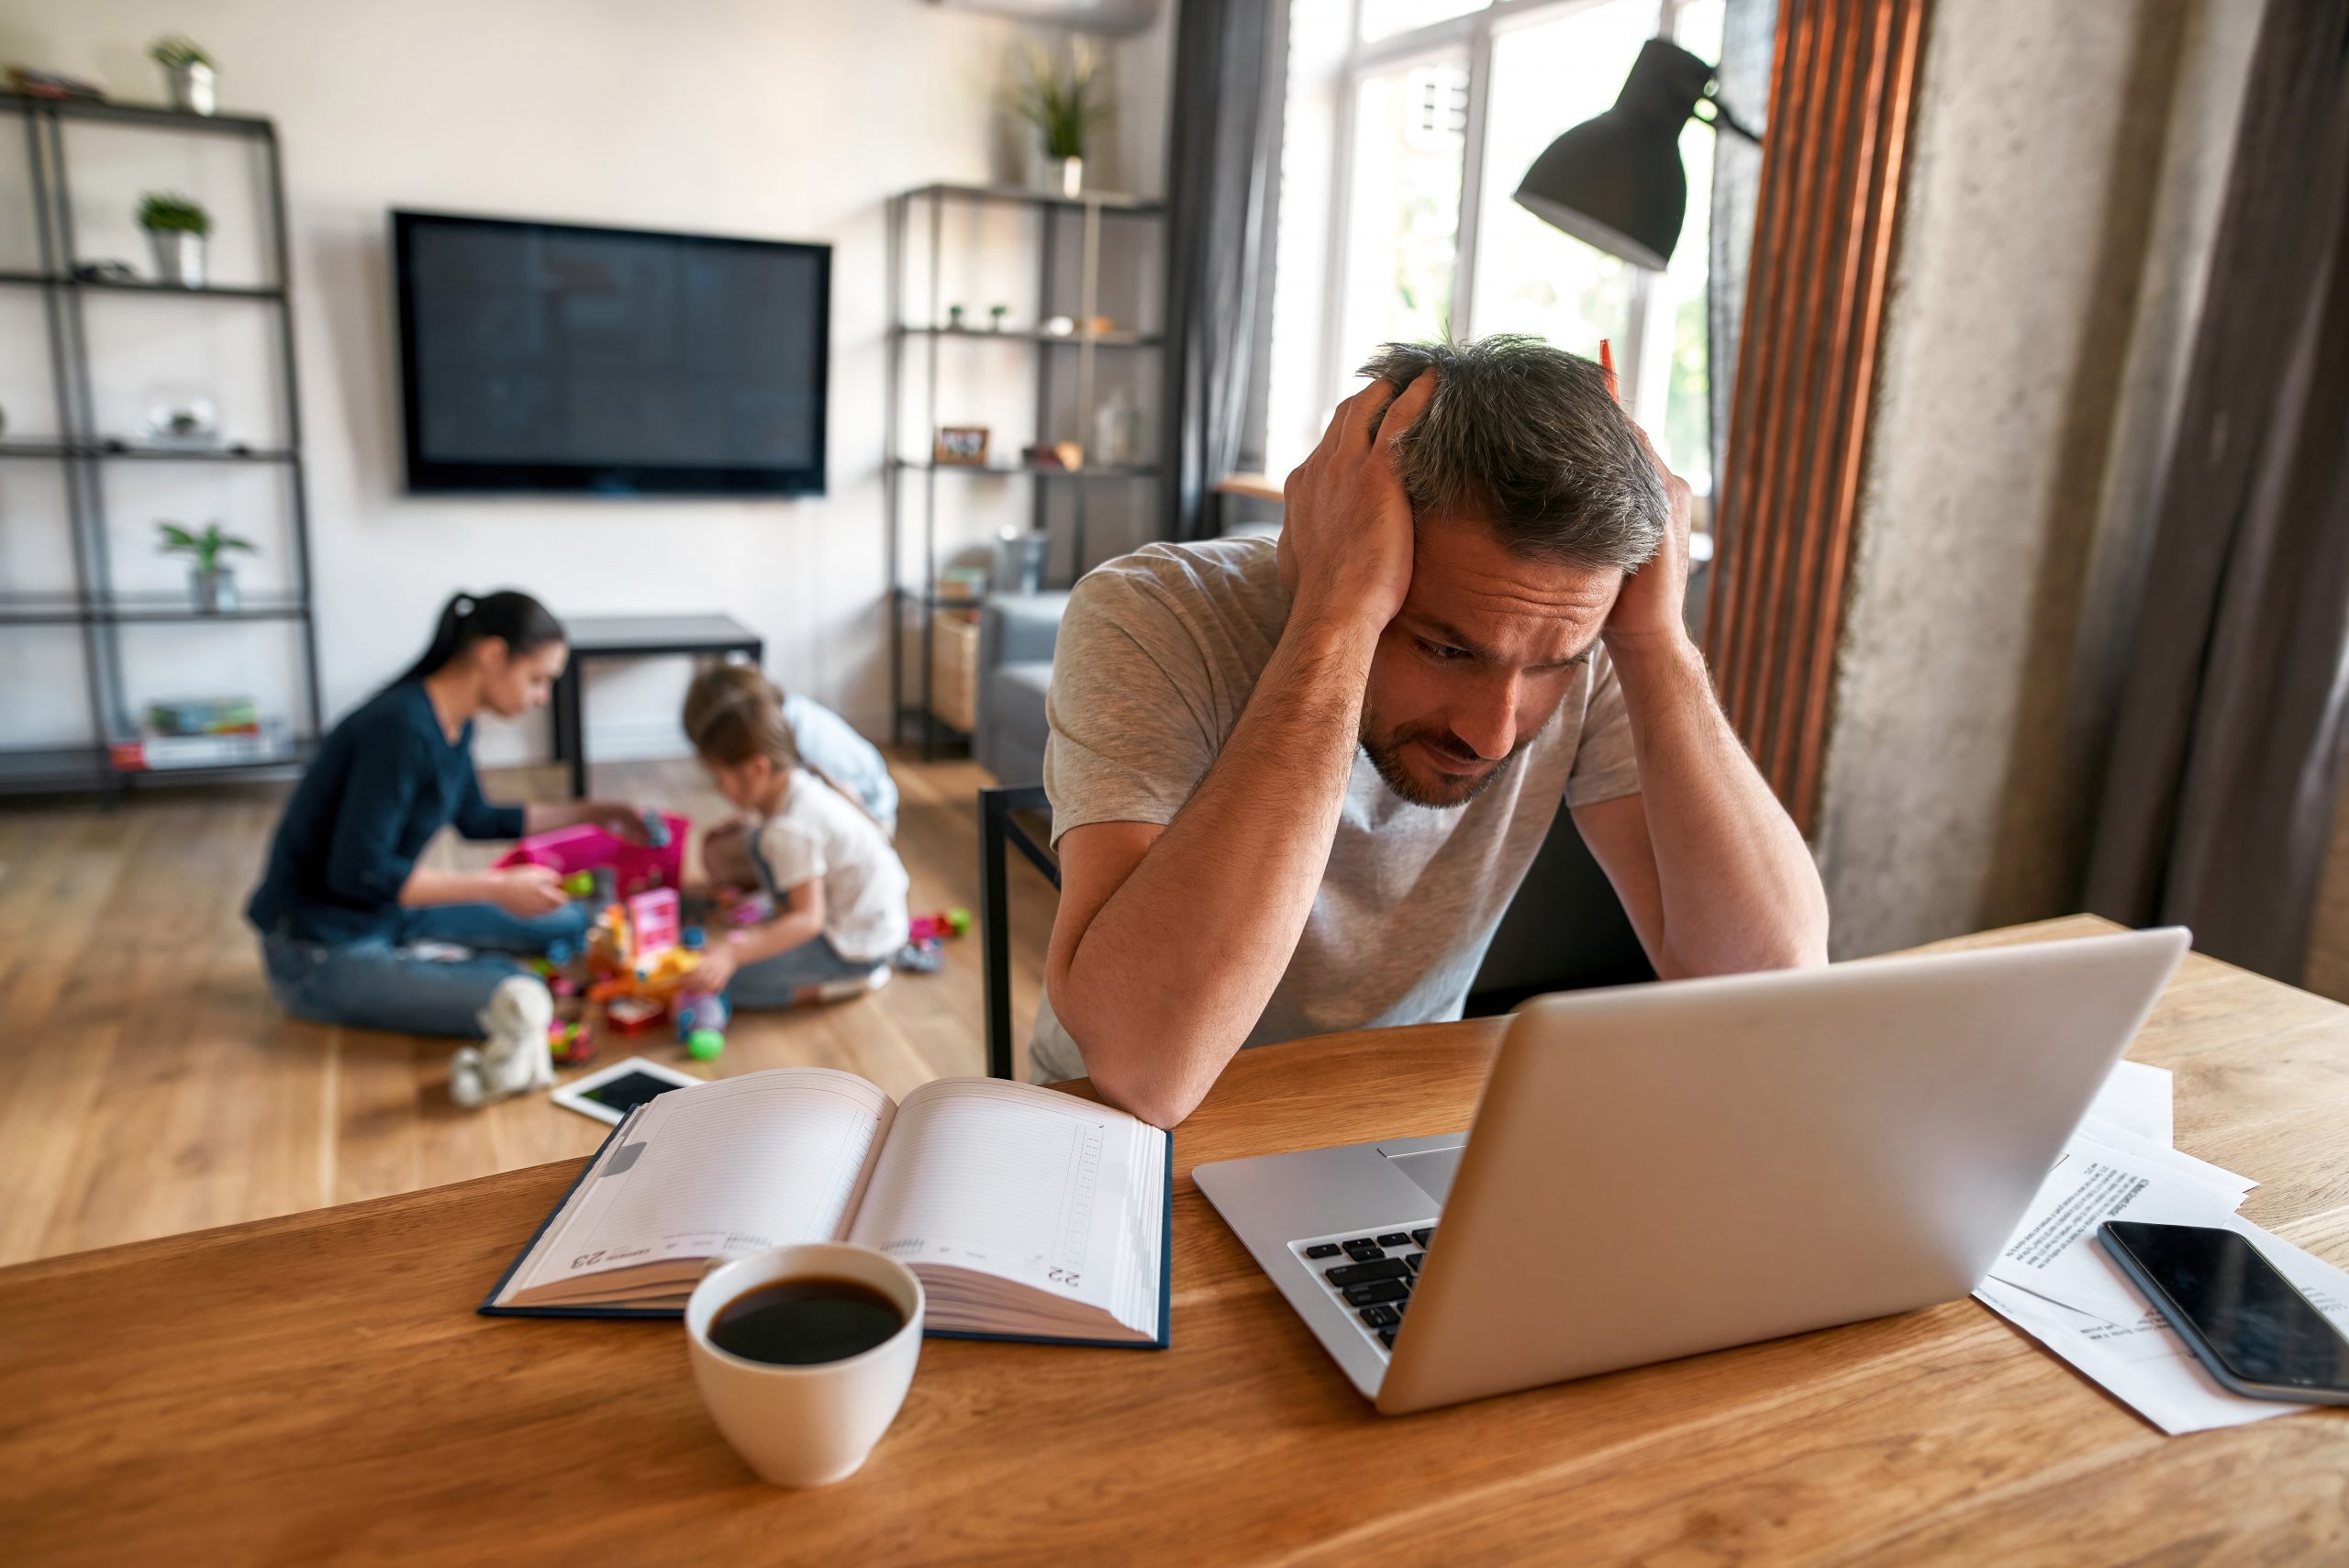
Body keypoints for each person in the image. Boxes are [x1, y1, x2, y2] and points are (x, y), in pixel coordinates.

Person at [1035, 336, 1831, 1126]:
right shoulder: (1151, 617)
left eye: (1555, 663)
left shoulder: (1584, 642)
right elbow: (1145, 1072)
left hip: (1395, 1127)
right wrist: (1336, 618)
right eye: (1446, 648)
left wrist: (1659, 646)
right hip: (1112, 1147)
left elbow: (1774, 991)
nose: (1492, 733)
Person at [248, 590, 651, 1037]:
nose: (542, 696)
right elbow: (358, 873)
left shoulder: (453, 722)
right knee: (518, 994)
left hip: (383, 913)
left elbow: (477, 818)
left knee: (572, 920)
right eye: (537, 679)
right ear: (493, 655)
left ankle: (440, 959)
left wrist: (596, 813)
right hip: (318, 949)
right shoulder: (400, 726)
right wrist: (496, 887)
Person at [680, 663, 910, 1007]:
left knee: (727, 982)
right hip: (873, 922)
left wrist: (731, 954)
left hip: (857, 948)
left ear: (758, 769)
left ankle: (848, 981)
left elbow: (808, 920)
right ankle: (785, 929)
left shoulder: (790, 829)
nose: (717, 787)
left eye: (720, 776)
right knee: (758, 842)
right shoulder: (799, 783)